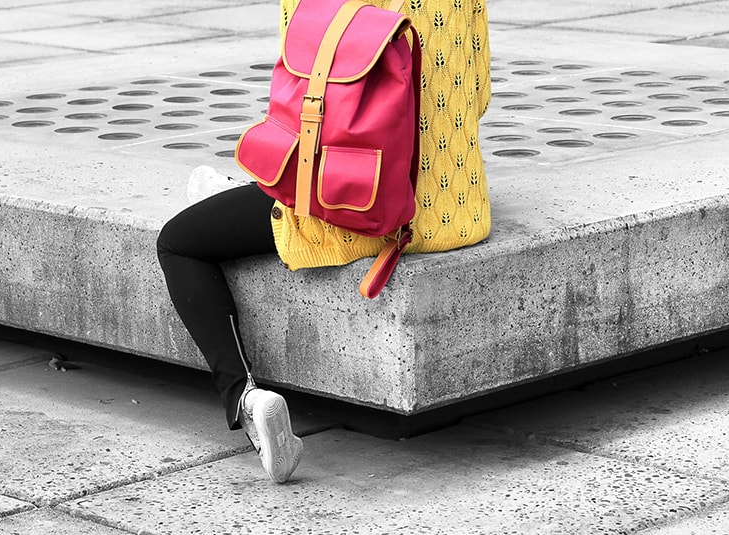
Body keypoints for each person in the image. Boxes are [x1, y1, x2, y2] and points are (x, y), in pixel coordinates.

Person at [156, 0, 492, 483]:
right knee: (233, 199)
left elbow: (302, 103)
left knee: (178, 242)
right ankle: (226, 196)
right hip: (457, 203)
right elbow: (479, 93)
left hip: (361, 205)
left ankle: (245, 399)